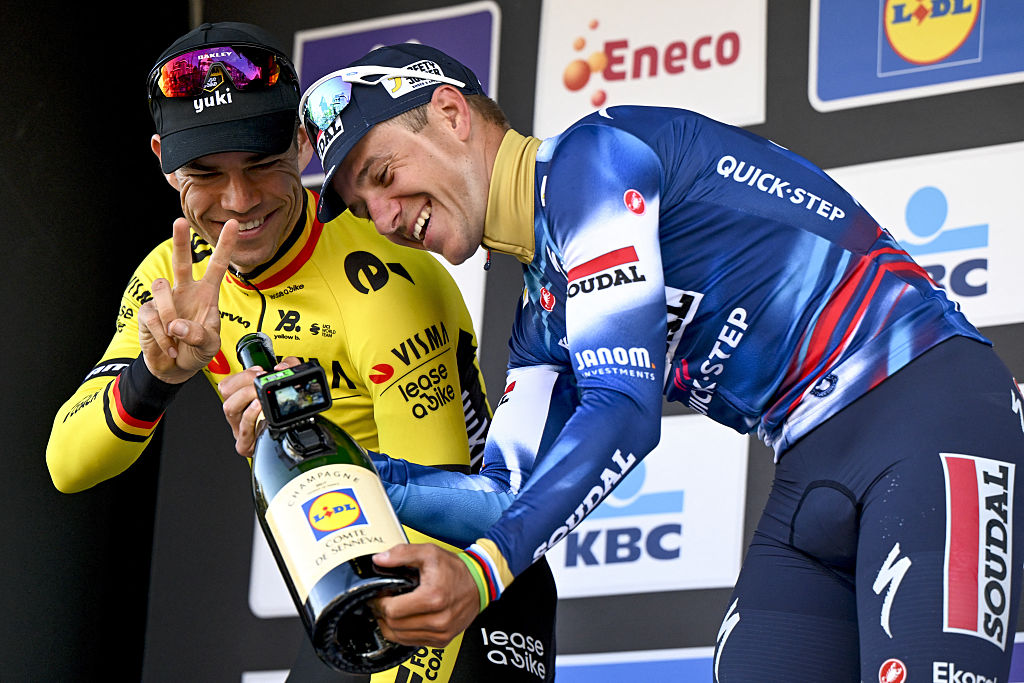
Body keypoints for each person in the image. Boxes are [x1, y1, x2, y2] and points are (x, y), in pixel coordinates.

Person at [300, 42, 1024, 681]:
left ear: (453, 112)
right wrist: (337, 470)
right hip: (811, 462)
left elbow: (623, 409)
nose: (386, 215)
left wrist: (486, 570)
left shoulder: (596, 159)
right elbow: (502, 499)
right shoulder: (540, 316)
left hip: (933, 413)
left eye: (382, 172)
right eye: (365, 207)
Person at [44, 24, 557, 683]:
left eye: (261, 164)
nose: (238, 201)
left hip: (467, 571)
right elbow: (67, 462)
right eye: (205, 175)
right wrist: (154, 375)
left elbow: (430, 529)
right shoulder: (173, 280)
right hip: (345, 575)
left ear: (304, 142)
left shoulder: (386, 275)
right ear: (166, 164)